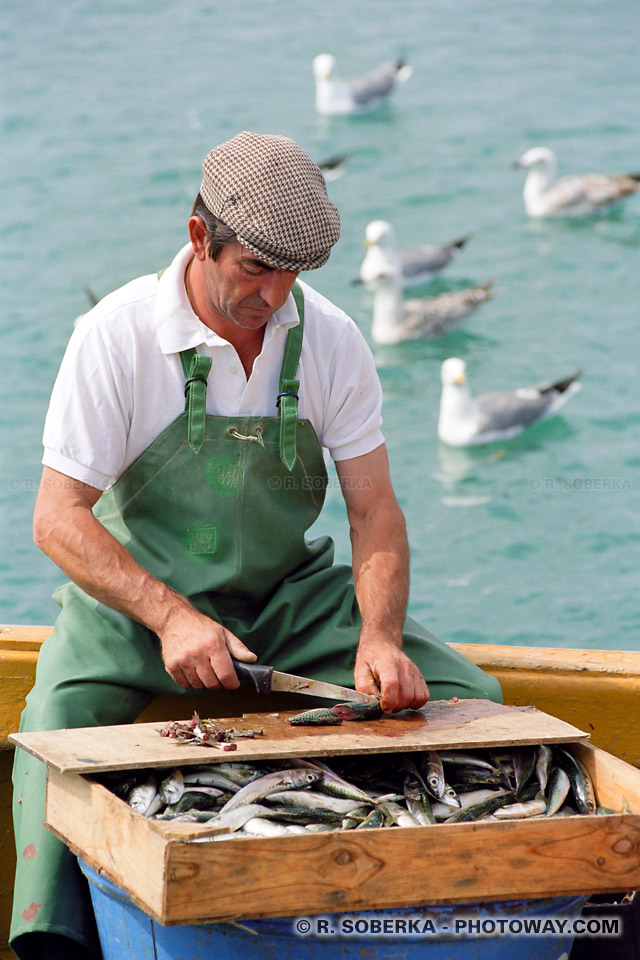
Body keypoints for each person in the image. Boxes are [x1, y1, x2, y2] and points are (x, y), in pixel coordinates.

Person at [11, 131, 502, 960]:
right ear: (201, 238)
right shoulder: (116, 335)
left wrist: (379, 637)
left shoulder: (334, 340)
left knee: (473, 699)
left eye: (293, 274)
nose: (275, 296)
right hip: (137, 609)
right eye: (255, 269)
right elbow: (58, 517)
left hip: (286, 599)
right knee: (50, 730)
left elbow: (375, 511)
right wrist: (170, 618)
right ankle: (57, 944)